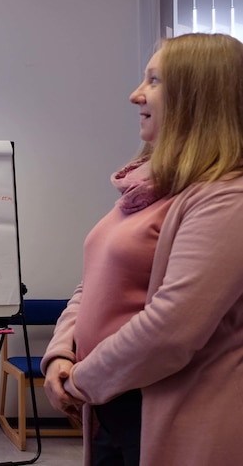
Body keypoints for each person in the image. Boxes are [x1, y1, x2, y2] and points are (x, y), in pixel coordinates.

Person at [41, 33, 243, 466]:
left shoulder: (226, 198)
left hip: (167, 411)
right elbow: (92, 284)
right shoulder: (148, 189)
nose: (136, 95)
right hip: (111, 402)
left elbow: (170, 328)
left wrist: (82, 379)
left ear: (197, 97)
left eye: (154, 80)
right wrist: (61, 352)